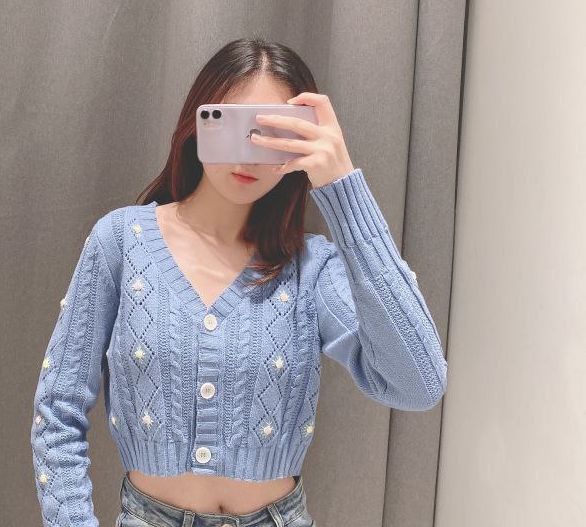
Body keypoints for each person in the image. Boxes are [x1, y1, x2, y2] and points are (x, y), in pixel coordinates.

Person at [30, 37, 448, 527]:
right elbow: (57, 411)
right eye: (232, 125)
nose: (248, 156)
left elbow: (418, 384)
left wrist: (344, 188)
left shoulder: (311, 267)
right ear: (198, 122)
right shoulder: (121, 243)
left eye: (271, 134)